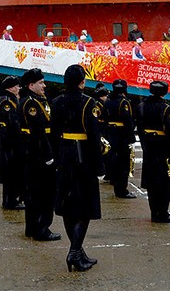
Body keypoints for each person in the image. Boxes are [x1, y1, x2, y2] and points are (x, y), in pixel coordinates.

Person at [52, 65, 103, 272]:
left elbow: (53, 133)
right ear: (82, 82)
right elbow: (93, 135)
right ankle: (74, 251)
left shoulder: (56, 102)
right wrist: (99, 165)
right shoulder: (89, 103)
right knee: (86, 205)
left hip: (64, 155)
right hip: (83, 156)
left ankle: (78, 250)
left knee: (67, 203)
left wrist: (57, 158)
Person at [19, 68, 60, 241]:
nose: (44, 85)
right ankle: (41, 228)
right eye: (41, 83)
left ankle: (33, 227)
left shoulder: (36, 100)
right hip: (38, 154)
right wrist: (48, 155)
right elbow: (38, 132)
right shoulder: (31, 103)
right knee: (43, 193)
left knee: (34, 193)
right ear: (31, 85)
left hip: (35, 152)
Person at [136, 81, 170, 223]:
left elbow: (140, 128)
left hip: (149, 147)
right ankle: (162, 212)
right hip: (162, 147)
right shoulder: (166, 108)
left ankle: (154, 211)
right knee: (163, 183)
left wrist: (145, 144)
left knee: (151, 182)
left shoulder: (141, 106)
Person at [0, 76, 25, 210]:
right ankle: (10, 201)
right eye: (17, 86)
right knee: (10, 172)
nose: (19, 88)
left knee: (14, 171)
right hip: (9, 140)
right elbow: (12, 122)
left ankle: (13, 198)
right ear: (11, 87)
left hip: (12, 139)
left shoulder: (11, 99)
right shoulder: (6, 102)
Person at [104, 79, 137, 199]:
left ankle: (115, 183)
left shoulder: (108, 101)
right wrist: (131, 138)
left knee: (114, 160)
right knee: (123, 164)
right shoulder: (124, 102)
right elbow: (128, 121)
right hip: (122, 135)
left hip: (111, 134)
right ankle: (122, 189)